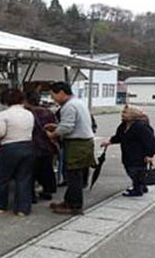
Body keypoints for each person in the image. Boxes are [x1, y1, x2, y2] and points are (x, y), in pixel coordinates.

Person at [45, 82, 96, 215]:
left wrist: (53, 134)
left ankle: (74, 206)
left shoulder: (69, 106)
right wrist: (57, 126)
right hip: (83, 142)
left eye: (53, 95)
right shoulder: (77, 102)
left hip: (77, 144)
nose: (53, 99)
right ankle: (68, 201)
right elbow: (71, 124)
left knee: (73, 176)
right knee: (73, 175)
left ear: (61, 92)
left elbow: (67, 127)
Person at [0, 89, 35, 216]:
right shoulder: (29, 114)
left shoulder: (4, 114)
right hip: (28, 146)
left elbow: (0, 133)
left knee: (3, 178)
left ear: (5, 101)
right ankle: (23, 209)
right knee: (23, 179)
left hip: (10, 148)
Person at [101, 105, 155, 197]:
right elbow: (119, 136)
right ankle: (141, 186)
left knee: (135, 171)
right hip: (128, 154)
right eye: (122, 112)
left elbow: (151, 142)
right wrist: (110, 141)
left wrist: (150, 155)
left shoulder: (141, 126)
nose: (122, 114)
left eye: (125, 112)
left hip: (139, 155)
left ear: (133, 114)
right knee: (131, 170)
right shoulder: (124, 125)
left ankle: (137, 189)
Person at [24, 91, 57, 202]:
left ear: (26, 101)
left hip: (32, 146)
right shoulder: (48, 112)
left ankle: (31, 196)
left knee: (30, 172)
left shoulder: (27, 113)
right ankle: (47, 191)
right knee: (46, 170)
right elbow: (55, 127)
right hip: (47, 146)